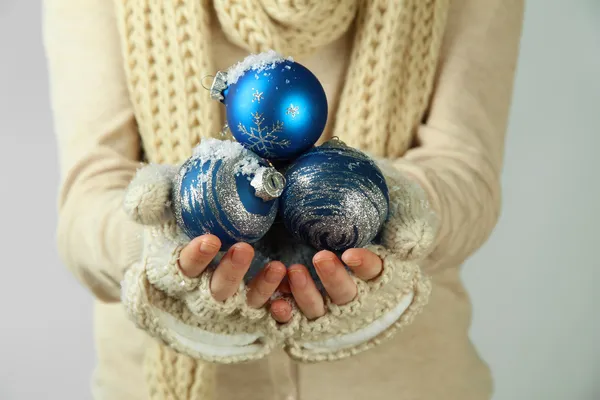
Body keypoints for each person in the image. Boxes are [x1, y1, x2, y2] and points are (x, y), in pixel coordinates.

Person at [43, 0, 524, 399]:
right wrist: (157, 247)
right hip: (162, 376)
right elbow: (88, 200)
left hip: (404, 379)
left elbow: (467, 171)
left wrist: (397, 208)